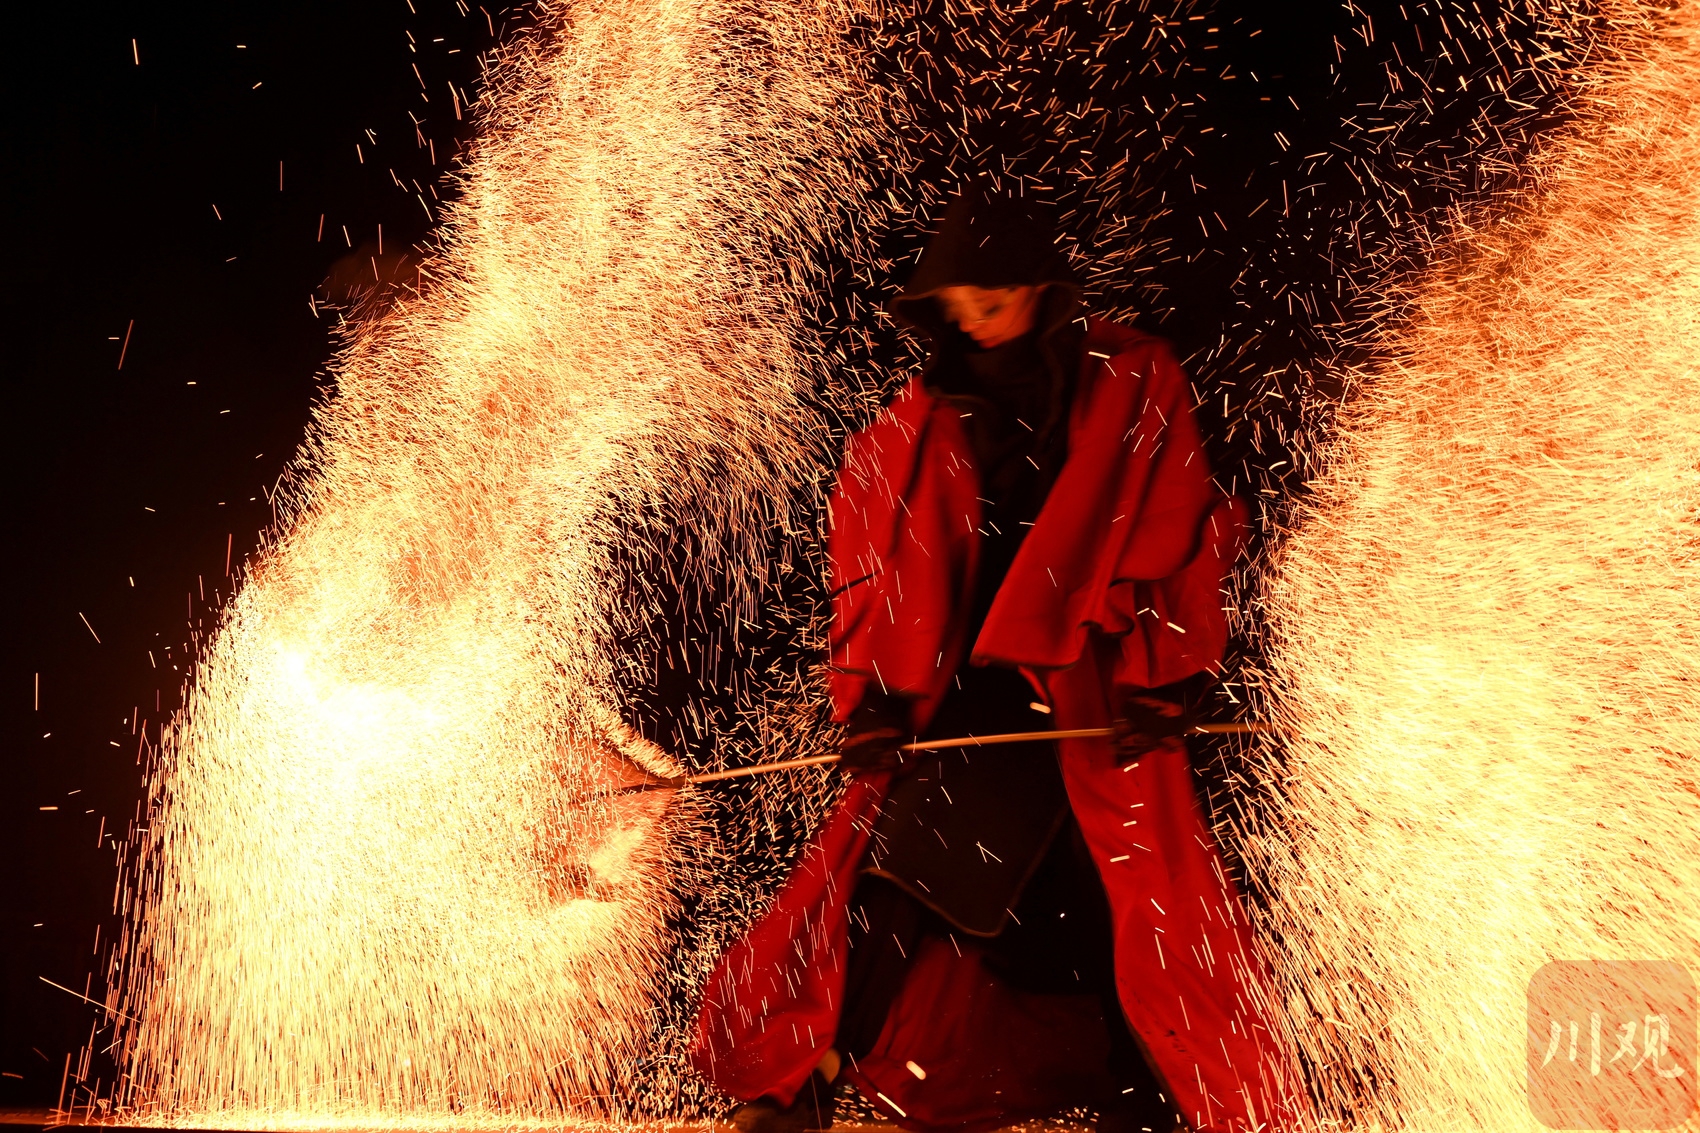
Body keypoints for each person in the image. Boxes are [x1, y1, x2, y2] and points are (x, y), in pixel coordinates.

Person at [691, 184, 1297, 1133]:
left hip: (1100, 695)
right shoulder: (923, 416)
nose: (973, 321)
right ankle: (805, 1082)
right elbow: (877, 557)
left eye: (993, 299)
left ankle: (1152, 1103)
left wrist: (1176, 674)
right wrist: (878, 703)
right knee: (894, 879)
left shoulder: (1135, 377)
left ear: (1044, 291)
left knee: (1125, 905)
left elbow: (1182, 528)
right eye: (958, 306)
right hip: (976, 698)